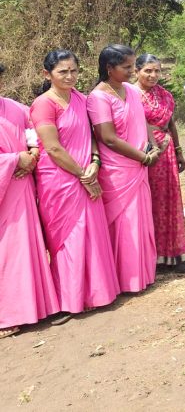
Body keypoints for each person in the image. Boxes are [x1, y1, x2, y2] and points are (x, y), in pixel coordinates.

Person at [31, 50, 120, 312]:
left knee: (92, 233)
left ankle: (97, 295)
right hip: (59, 181)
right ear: (47, 74)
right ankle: (69, 300)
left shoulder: (81, 99)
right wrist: (83, 176)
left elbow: (92, 135)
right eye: (62, 72)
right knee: (68, 239)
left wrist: (94, 162)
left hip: (86, 173)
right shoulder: (44, 104)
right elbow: (53, 148)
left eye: (74, 71)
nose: (70, 76)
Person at [87, 45, 158, 294]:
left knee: (140, 221)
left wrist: (154, 146)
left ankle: (143, 274)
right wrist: (142, 156)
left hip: (139, 164)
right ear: (109, 68)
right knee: (123, 224)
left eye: (131, 66)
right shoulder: (98, 97)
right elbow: (107, 137)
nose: (131, 71)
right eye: (126, 67)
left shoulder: (129, 90)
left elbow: (143, 121)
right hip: (119, 170)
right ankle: (123, 279)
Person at [0, 63, 59, 338]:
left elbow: (33, 132)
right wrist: (13, 159)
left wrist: (33, 153)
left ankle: (34, 307)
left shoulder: (14, 107)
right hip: (5, 191)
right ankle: (7, 314)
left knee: (26, 247)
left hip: (21, 188)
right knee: (7, 252)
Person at [134, 54, 185, 272]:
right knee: (148, 202)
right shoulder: (130, 95)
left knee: (167, 200)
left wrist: (178, 151)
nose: (153, 75)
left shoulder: (165, 96)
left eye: (157, 71)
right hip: (142, 153)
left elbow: (170, 125)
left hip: (166, 152)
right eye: (147, 71)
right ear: (136, 71)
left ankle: (170, 252)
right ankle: (148, 256)